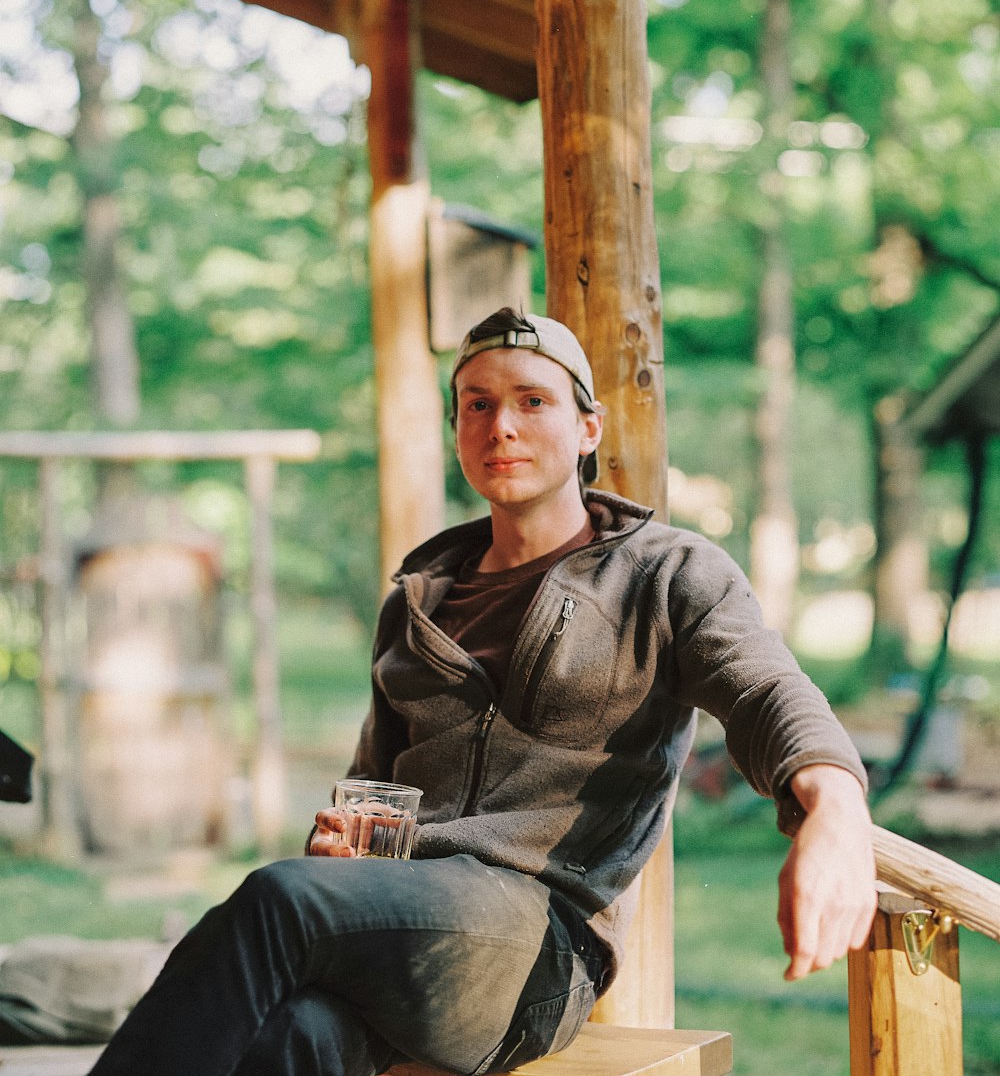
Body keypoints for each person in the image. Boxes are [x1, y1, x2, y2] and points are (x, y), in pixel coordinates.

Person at [90, 307, 876, 1076]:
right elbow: (375, 787)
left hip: (538, 945)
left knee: (280, 899)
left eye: (533, 400)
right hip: (401, 920)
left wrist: (835, 805)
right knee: (292, 1035)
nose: (502, 425)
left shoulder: (668, 573)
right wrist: (337, 848)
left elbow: (768, 691)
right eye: (478, 404)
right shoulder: (416, 599)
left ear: (587, 428)